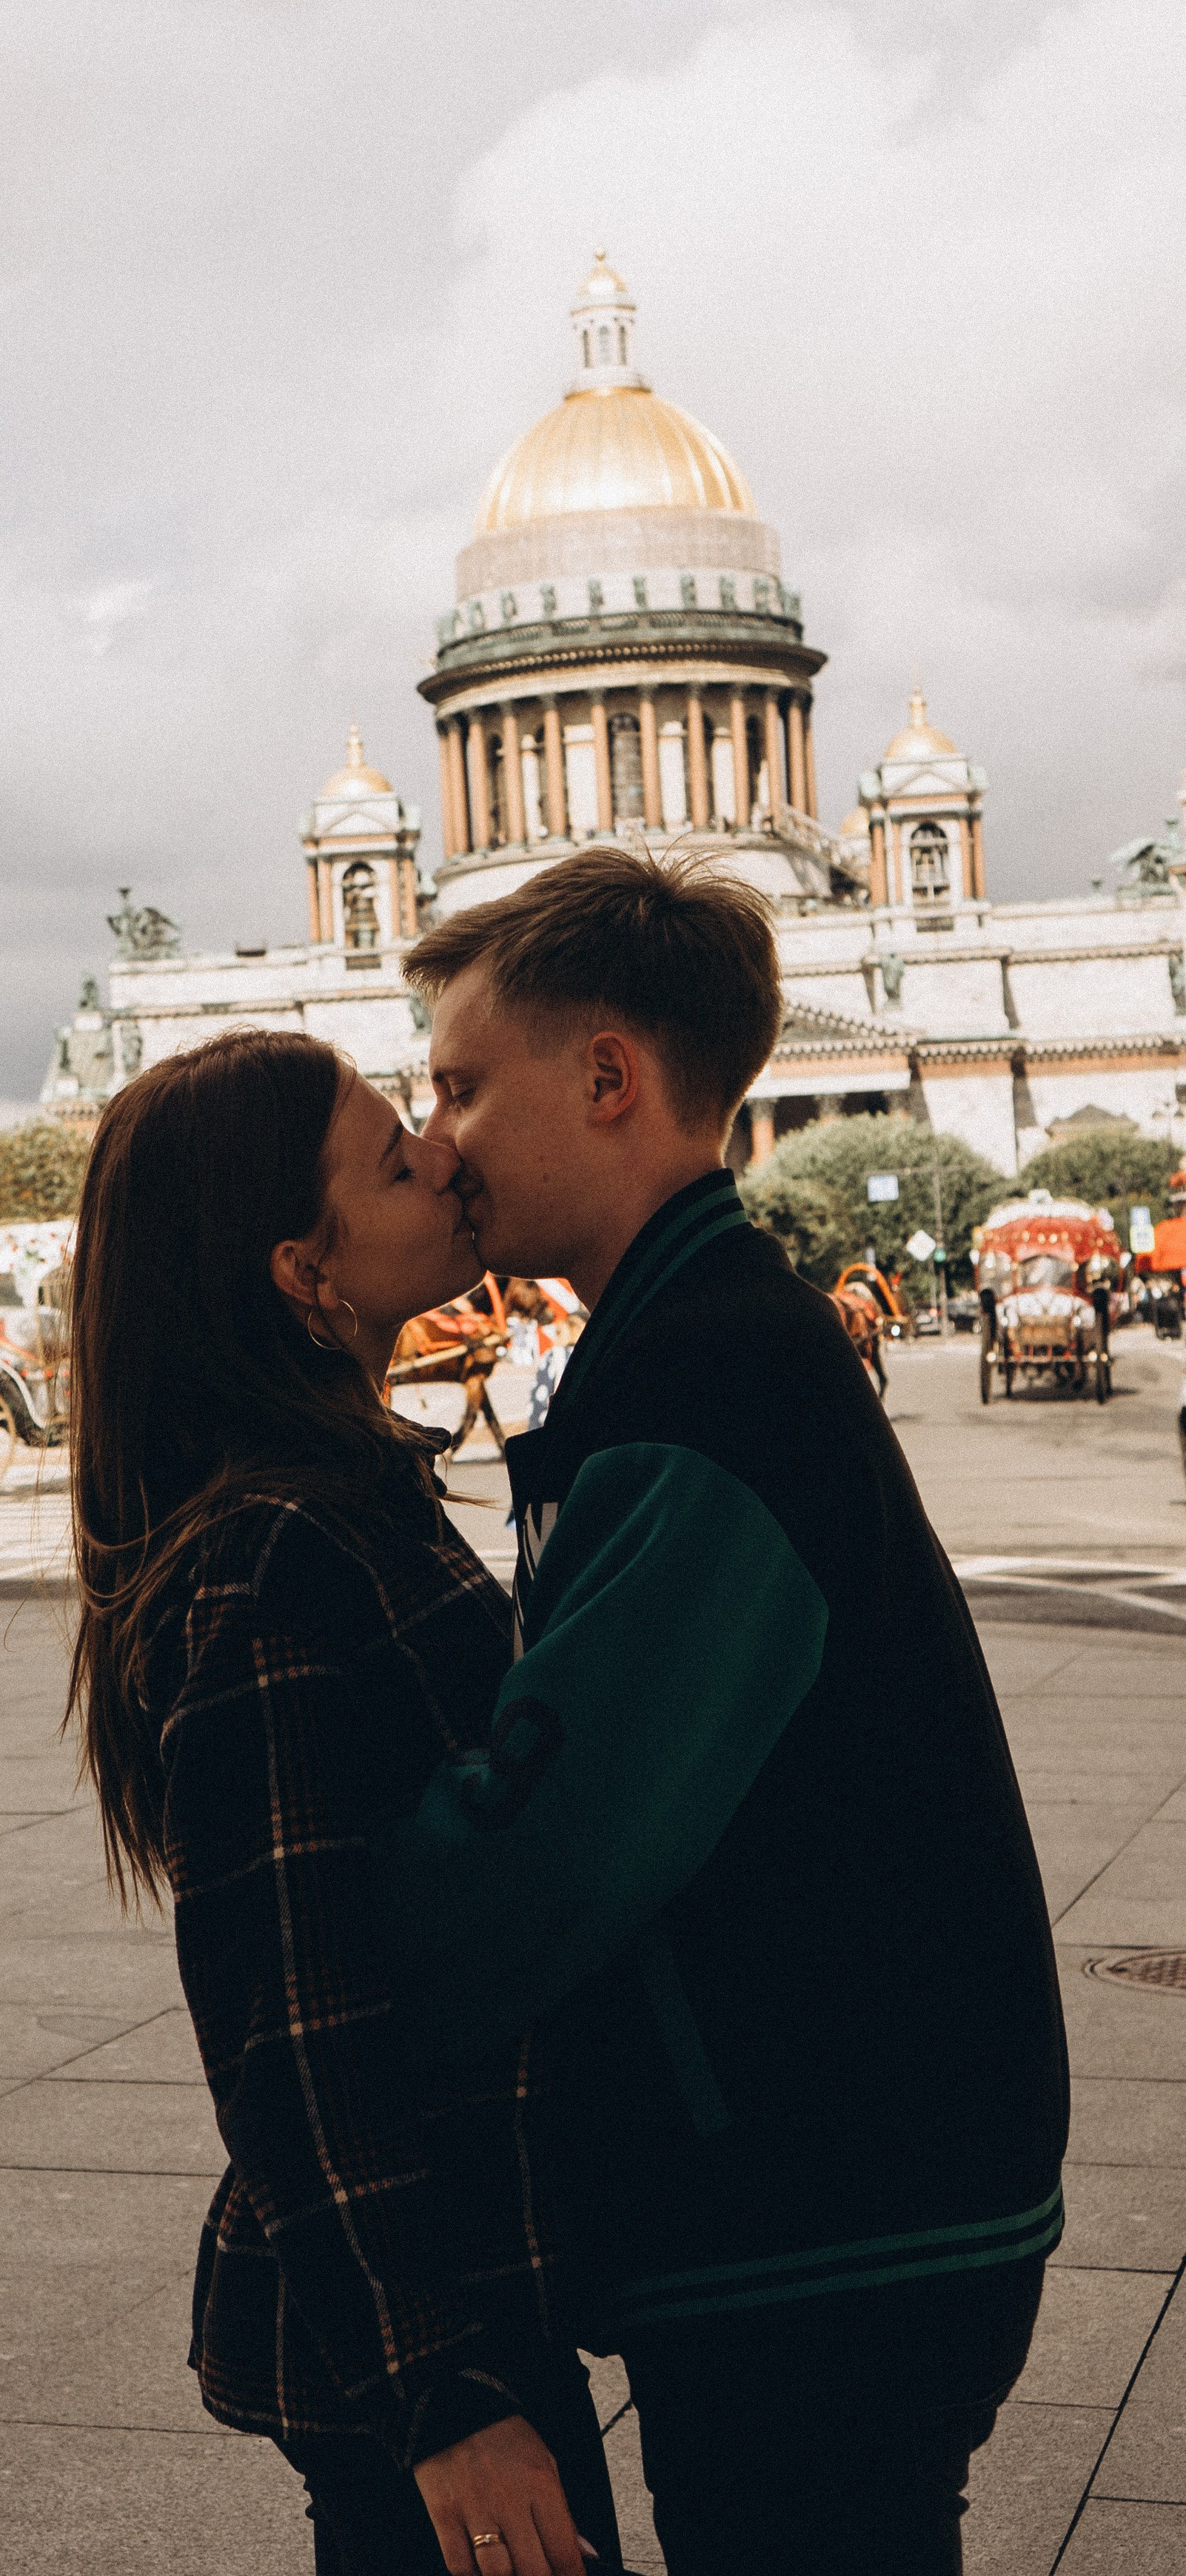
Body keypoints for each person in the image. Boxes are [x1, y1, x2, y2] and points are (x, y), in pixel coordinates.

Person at [392, 847, 1068, 2576]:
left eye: (461, 1083)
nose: (436, 1135)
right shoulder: (705, 1333)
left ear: (607, 1075)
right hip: (856, 2175)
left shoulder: (698, 1377)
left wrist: (333, 1916)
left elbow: (544, 1863)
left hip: (818, 2208)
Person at [66, 1028, 622, 2576]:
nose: (441, 1154)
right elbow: (285, 2016)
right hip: (426, 2325)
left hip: (454, 2286)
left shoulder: (329, 1501)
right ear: (305, 1274)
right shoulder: (274, 1558)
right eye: (393, 1158)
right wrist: (438, 2392)